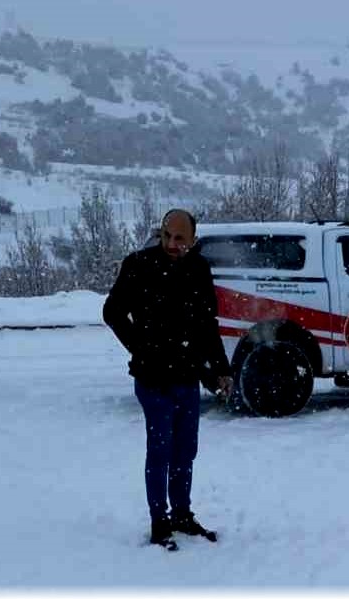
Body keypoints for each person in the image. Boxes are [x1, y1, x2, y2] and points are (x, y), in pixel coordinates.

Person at [103, 208, 233, 550]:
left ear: (192, 240)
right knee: (160, 449)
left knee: (185, 450)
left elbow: (207, 324)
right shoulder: (139, 265)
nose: (171, 244)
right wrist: (140, 349)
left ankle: (182, 515)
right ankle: (159, 521)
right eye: (166, 236)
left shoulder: (198, 269)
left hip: (187, 377)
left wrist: (221, 368)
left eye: (179, 238)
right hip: (152, 378)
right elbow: (112, 312)